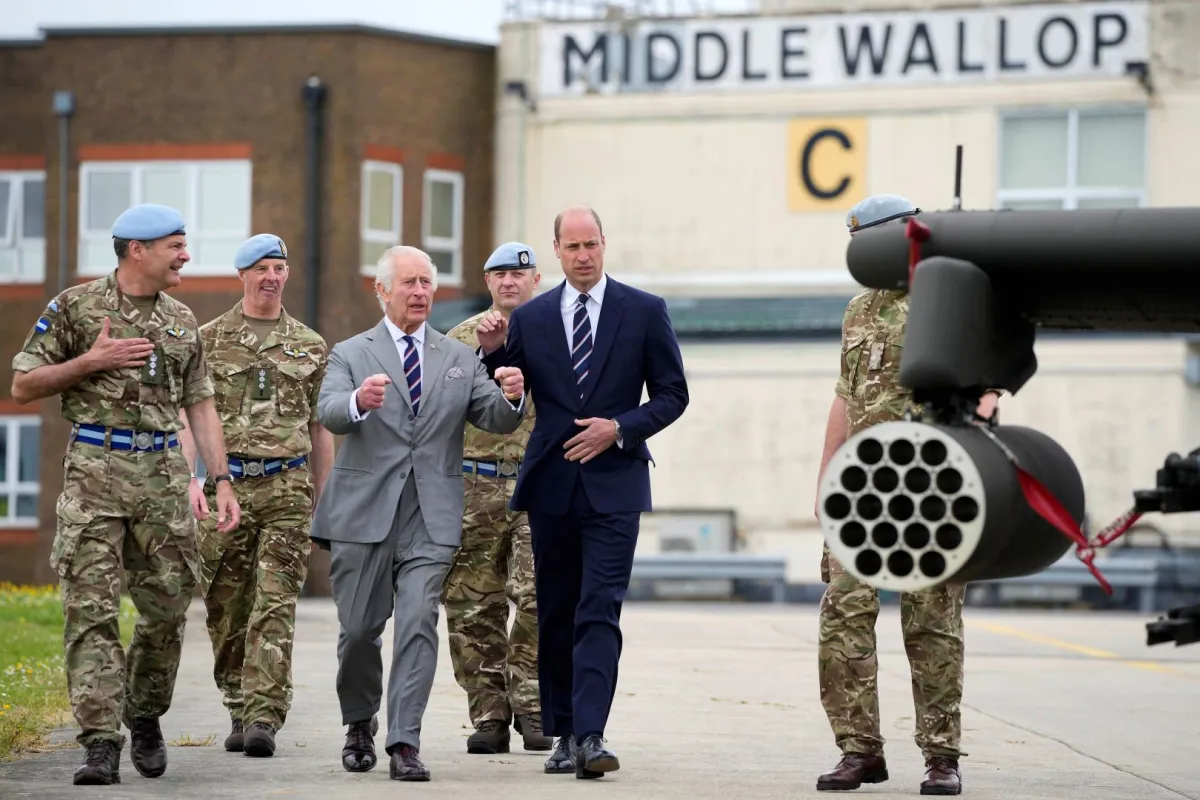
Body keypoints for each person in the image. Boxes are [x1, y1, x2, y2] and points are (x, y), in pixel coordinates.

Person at [9, 203, 240, 786]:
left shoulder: (183, 320)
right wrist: (91, 360)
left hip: (162, 472)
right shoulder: (75, 306)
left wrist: (221, 479)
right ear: (137, 249)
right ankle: (99, 742)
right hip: (94, 470)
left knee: (166, 609)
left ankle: (143, 713)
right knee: (91, 612)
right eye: (176, 245)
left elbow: (201, 403)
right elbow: (22, 384)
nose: (186, 254)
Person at [478, 205, 689, 779]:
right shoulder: (532, 317)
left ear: (604, 243)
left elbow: (673, 395)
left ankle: (592, 735)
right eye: (572, 247)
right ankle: (564, 733)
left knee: (600, 608)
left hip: (616, 485)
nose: (583, 255)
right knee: (556, 612)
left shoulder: (644, 311)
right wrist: (497, 356)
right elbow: (507, 395)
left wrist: (618, 428)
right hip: (551, 482)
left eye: (591, 243)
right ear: (557, 251)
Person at [311, 245, 527, 782]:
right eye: (408, 283)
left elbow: (495, 418)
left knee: (418, 623)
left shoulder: (458, 355)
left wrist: (512, 392)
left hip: (431, 514)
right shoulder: (350, 353)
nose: (419, 292)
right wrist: (360, 400)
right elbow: (330, 411)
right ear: (383, 291)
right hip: (364, 512)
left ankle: (404, 740)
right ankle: (359, 721)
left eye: (427, 283)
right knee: (360, 630)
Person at [812, 194, 1001, 796]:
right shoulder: (859, 309)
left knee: (933, 624)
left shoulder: (949, 298)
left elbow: (989, 390)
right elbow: (846, 396)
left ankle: (941, 756)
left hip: (929, 488)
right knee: (843, 617)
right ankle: (859, 750)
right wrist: (826, 476)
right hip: (862, 489)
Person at [175, 233, 333, 758]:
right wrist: (191, 479)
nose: (271, 276)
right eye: (261, 267)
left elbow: (320, 428)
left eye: (279, 268)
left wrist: (323, 497)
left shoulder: (310, 345)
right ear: (242, 275)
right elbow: (187, 417)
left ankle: (265, 714)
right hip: (227, 487)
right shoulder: (207, 340)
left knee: (275, 601)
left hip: (288, 486)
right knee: (226, 606)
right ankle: (239, 705)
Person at [442, 241, 552, 755]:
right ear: (487, 282)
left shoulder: (558, 332)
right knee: (471, 604)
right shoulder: (458, 341)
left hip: (537, 484)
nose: (510, 282)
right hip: (473, 485)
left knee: (539, 597)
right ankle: (488, 712)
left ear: (536, 280)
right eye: (499, 274)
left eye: (519, 274)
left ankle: (531, 704)